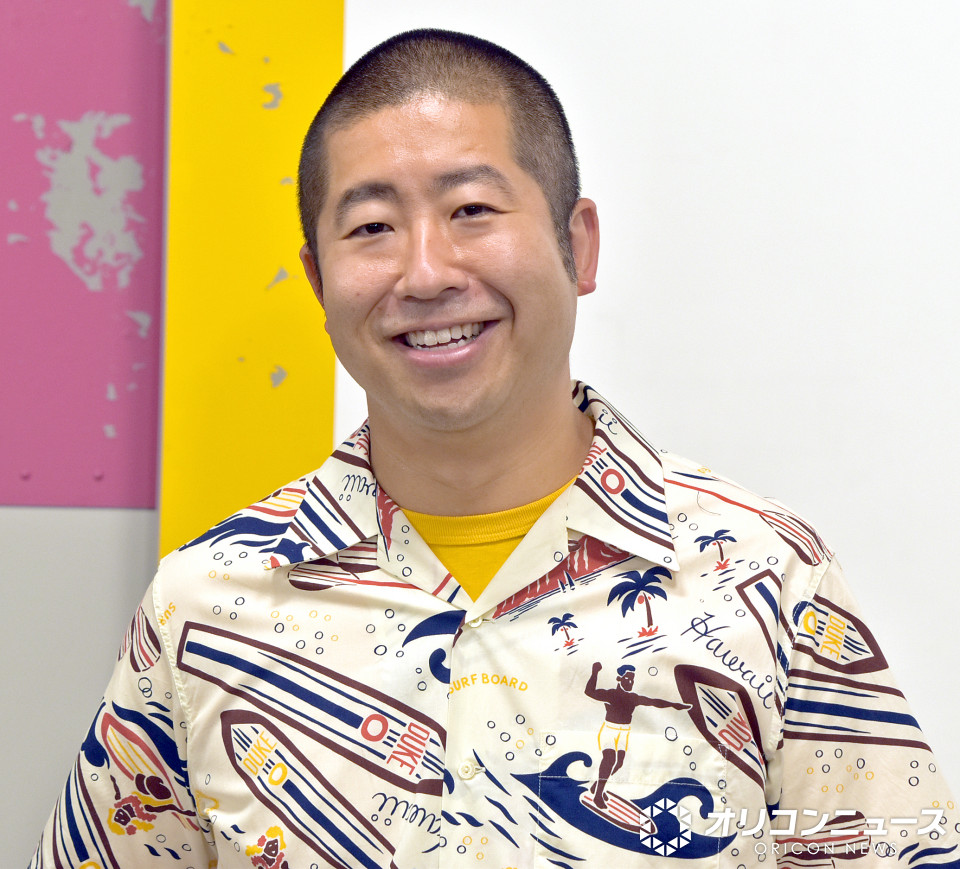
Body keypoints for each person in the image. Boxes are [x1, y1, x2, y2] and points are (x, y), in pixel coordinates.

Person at [31, 28, 957, 869]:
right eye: (371, 227)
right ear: (318, 280)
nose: (425, 271)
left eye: (471, 209)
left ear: (576, 245)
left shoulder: (767, 578)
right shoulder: (204, 609)